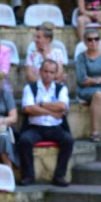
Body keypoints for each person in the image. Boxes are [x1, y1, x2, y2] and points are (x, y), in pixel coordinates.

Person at [17, 59, 74, 187]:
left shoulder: (61, 89)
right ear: (40, 71)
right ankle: (28, 175)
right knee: (25, 140)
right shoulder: (30, 88)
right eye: (46, 71)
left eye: (52, 72)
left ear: (55, 74)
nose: (48, 74)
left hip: (55, 127)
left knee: (68, 140)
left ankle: (59, 176)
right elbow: (28, 108)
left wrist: (41, 104)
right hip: (35, 127)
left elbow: (62, 107)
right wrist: (52, 112)